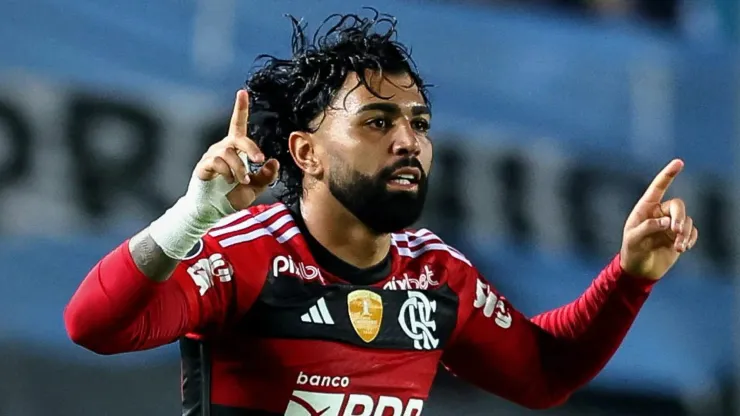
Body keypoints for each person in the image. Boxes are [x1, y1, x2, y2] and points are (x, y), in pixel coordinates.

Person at [63, 10, 698, 416]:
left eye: (419, 124)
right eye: (377, 121)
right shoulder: (245, 255)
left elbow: (543, 376)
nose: (408, 141)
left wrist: (630, 274)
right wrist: (189, 218)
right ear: (306, 153)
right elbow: (94, 326)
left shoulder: (437, 276)